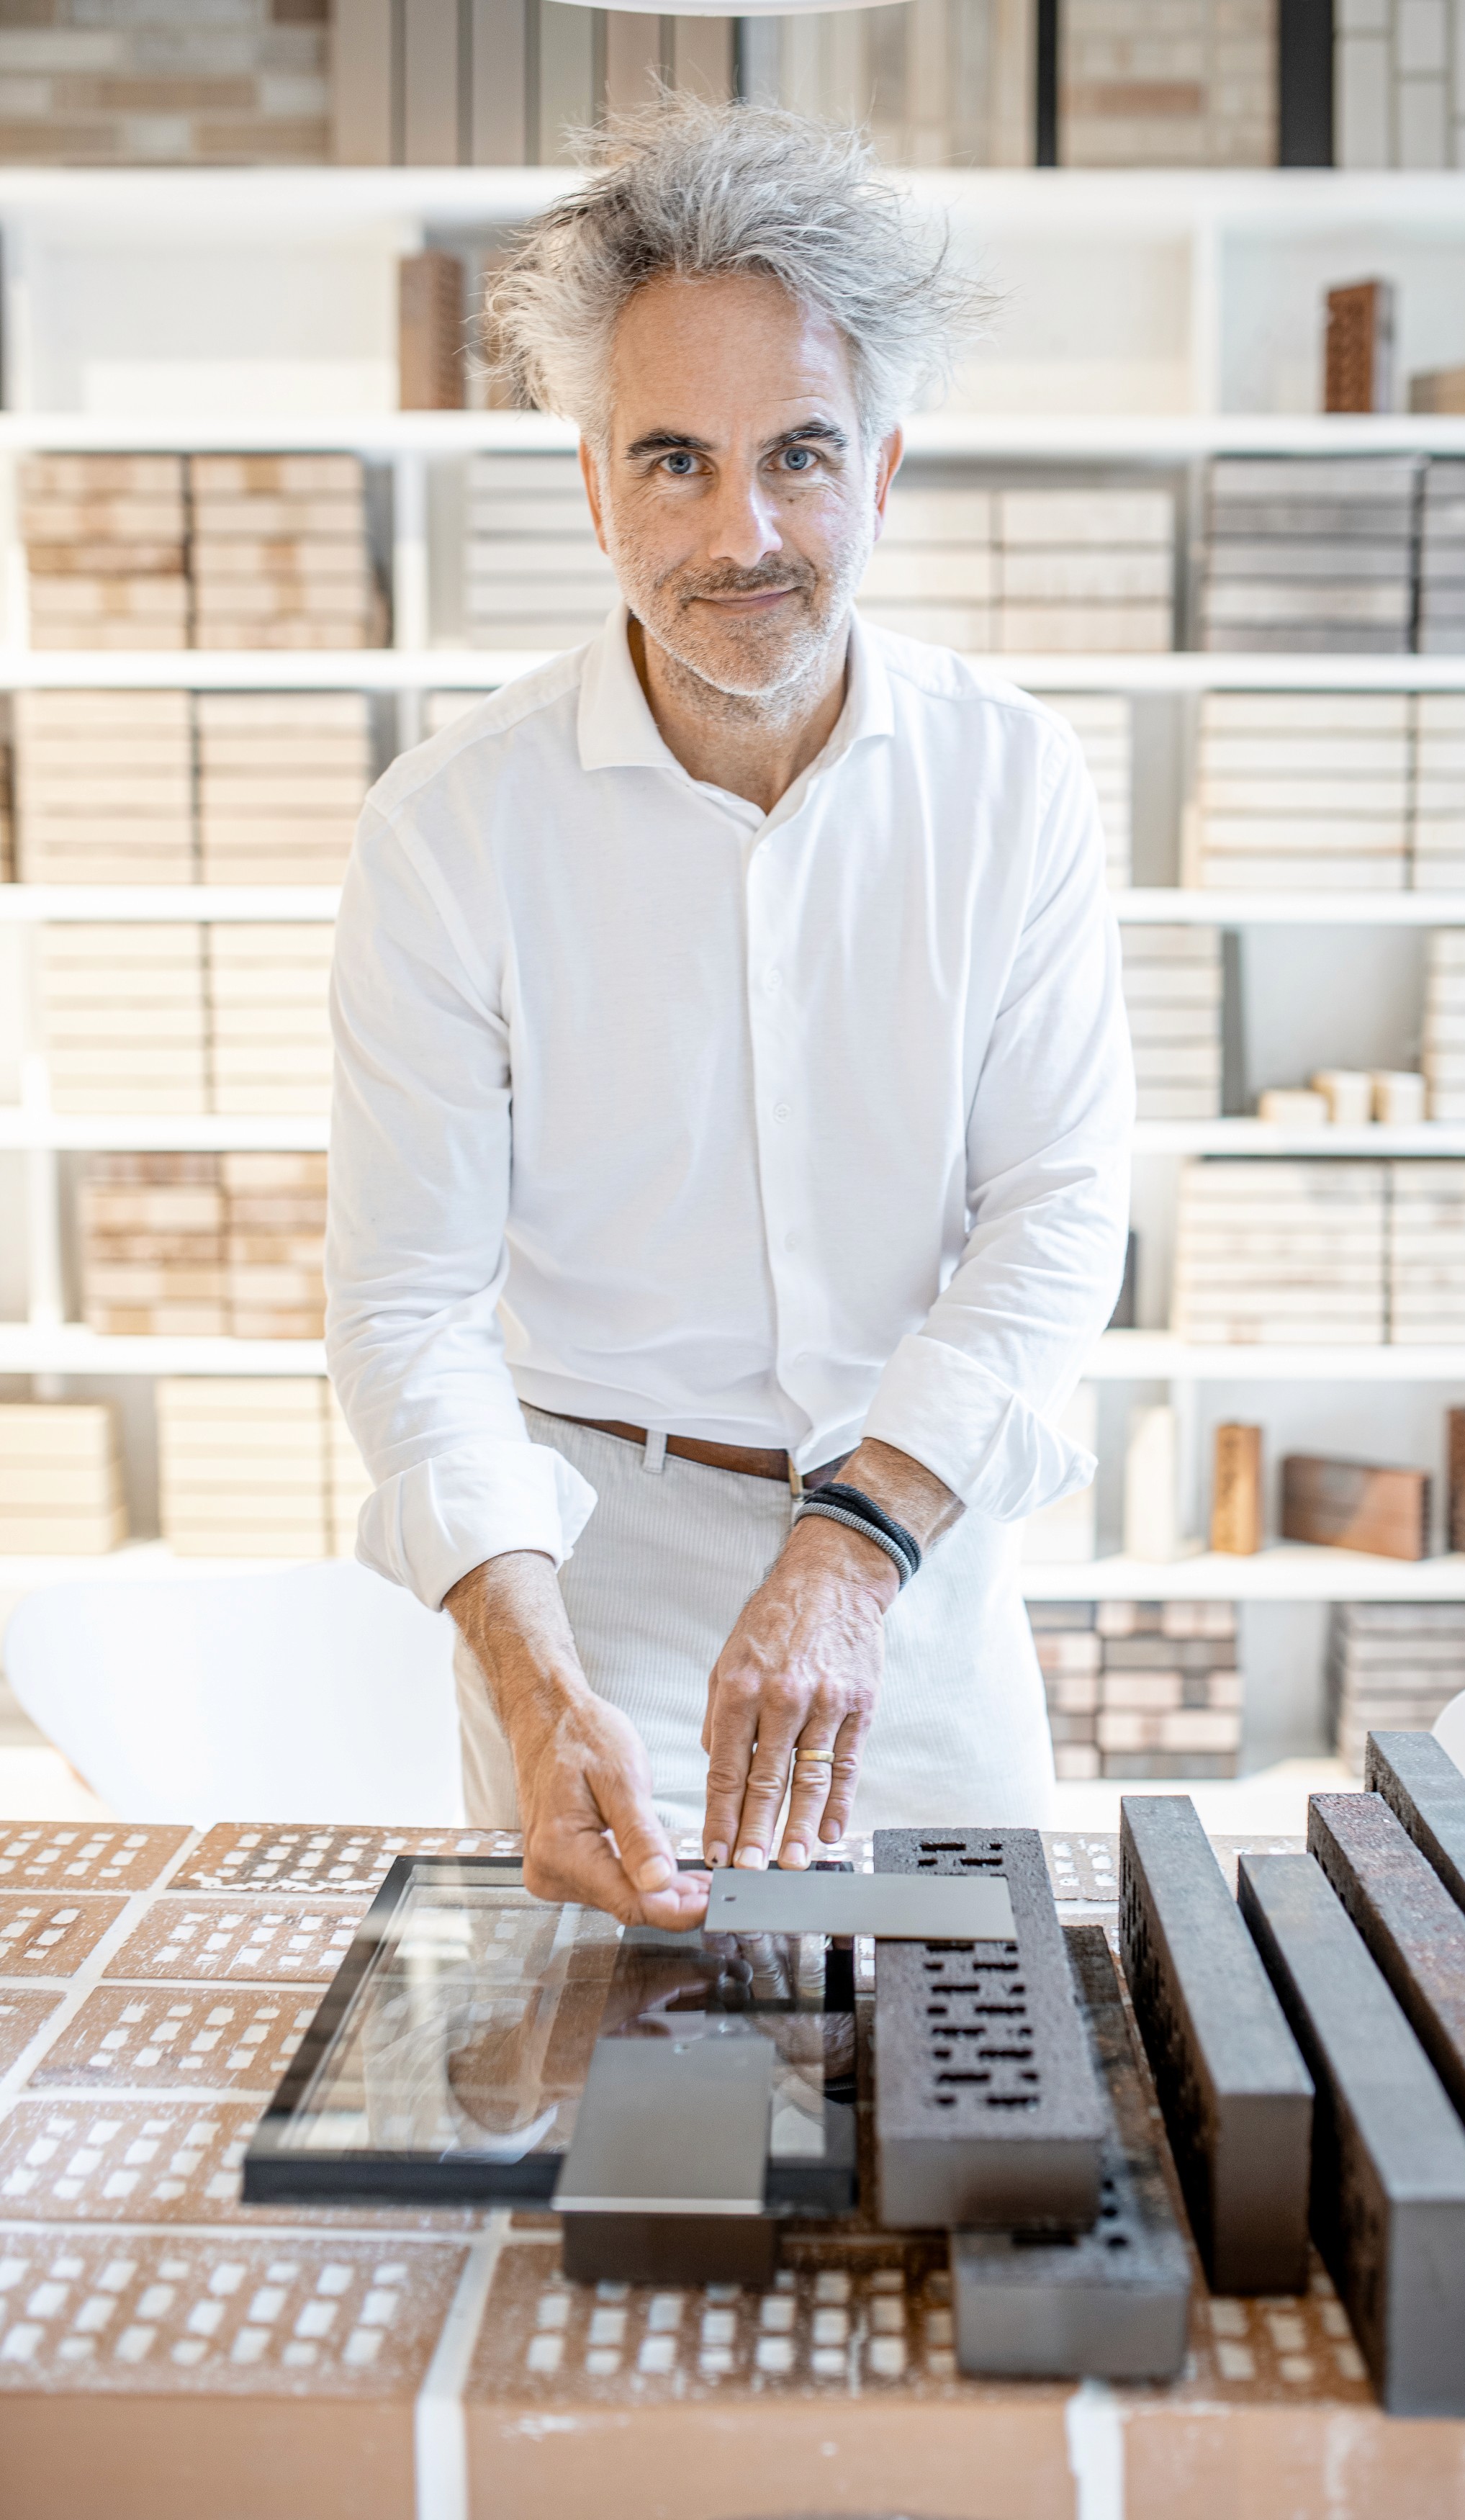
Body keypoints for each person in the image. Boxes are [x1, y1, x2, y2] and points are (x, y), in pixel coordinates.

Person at [325, 99, 1133, 1932]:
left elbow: (1057, 1209)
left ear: (885, 467)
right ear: (594, 483)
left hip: (917, 1560)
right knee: (600, 2121)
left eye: (800, 454)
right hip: (587, 1585)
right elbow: (406, 1301)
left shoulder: (1014, 782)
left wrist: (853, 1550)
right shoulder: (452, 826)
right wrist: (529, 1684)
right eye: (676, 461)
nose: (741, 530)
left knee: (968, 2094)